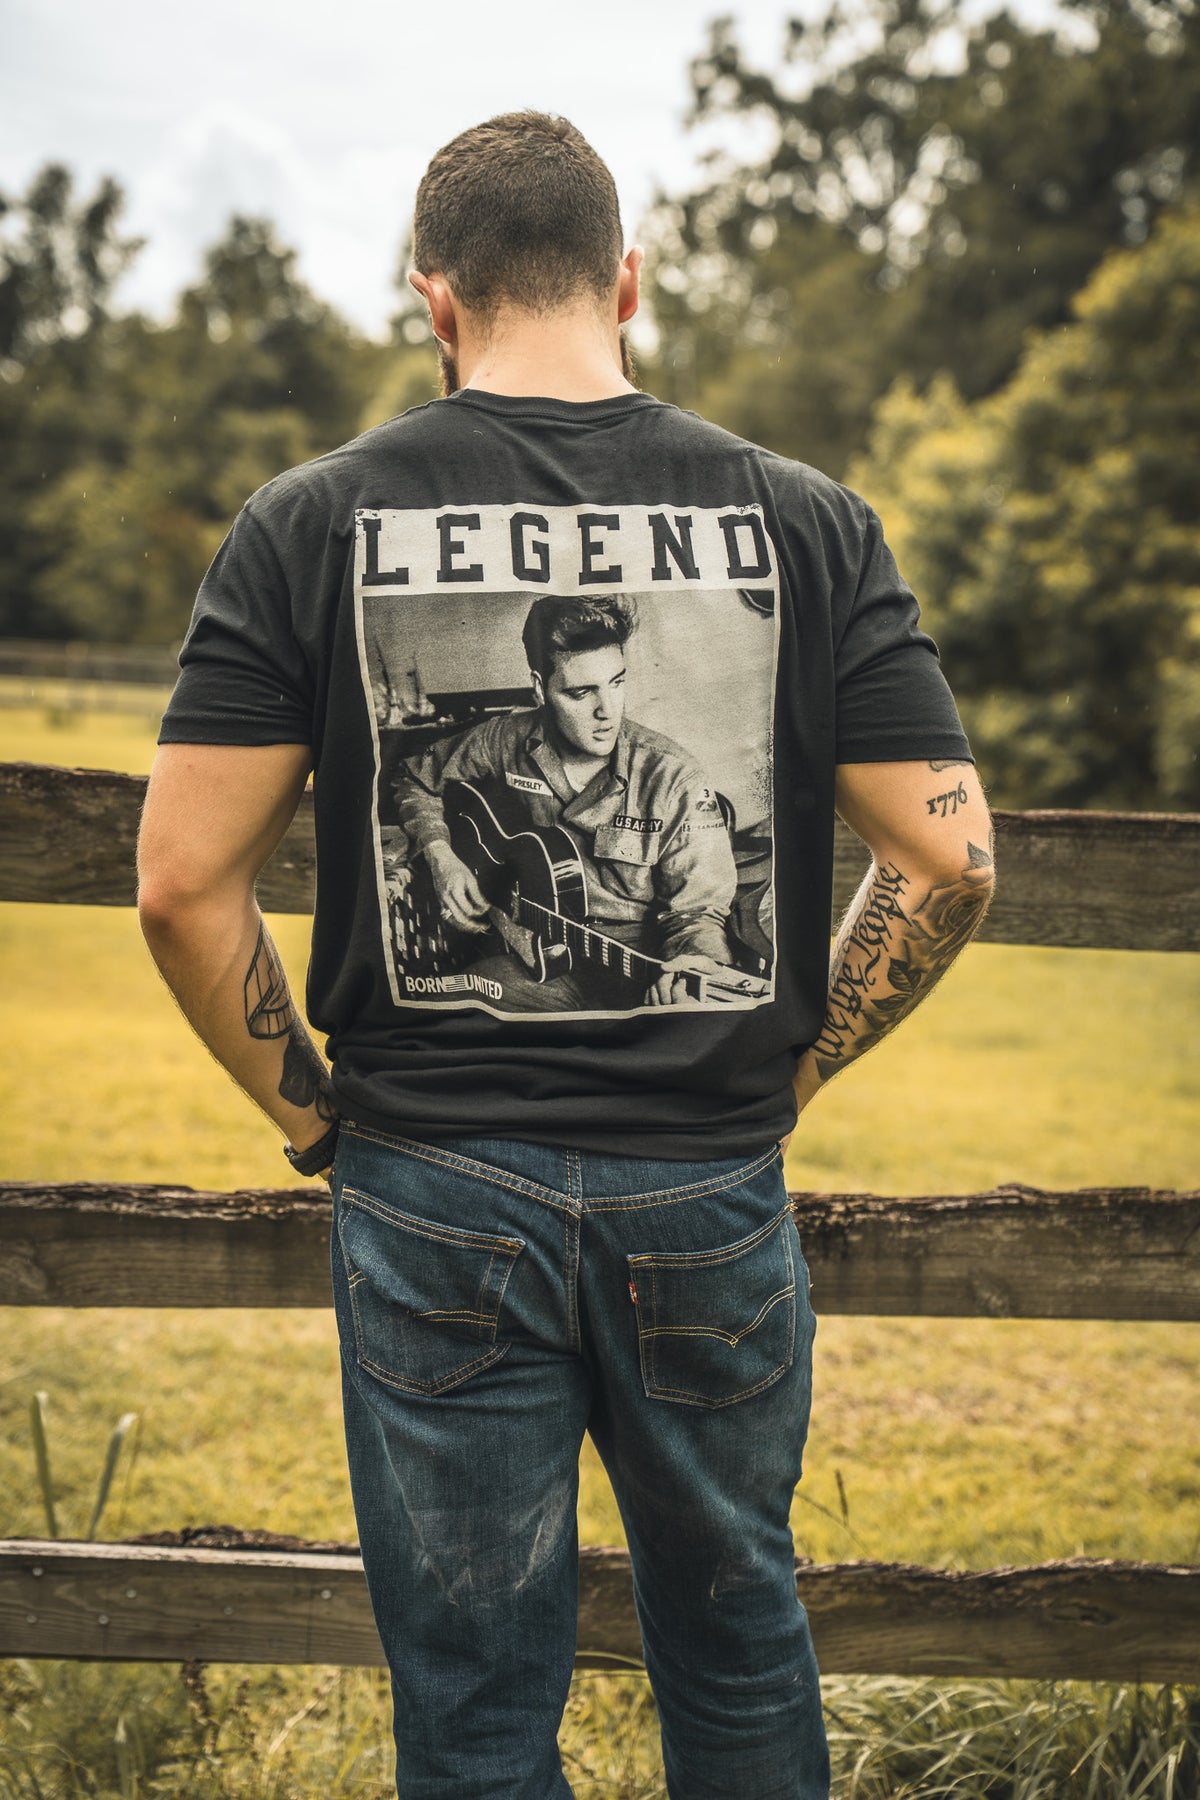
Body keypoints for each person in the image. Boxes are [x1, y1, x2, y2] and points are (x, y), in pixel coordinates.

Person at [138, 110, 994, 1800]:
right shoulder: (805, 522)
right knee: (741, 1646)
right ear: (628, 279)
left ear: (432, 303)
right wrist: (791, 1061)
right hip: (705, 1182)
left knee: (471, 1698)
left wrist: (319, 1120)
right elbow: (954, 857)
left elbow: (180, 885)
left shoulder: (308, 522)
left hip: (430, 1184)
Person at [392, 591, 748, 1010]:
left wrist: (695, 966)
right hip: (533, 956)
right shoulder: (504, 738)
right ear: (541, 689)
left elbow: (697, 914)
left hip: (638, 965)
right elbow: (413, 777)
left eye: (617, 683)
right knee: (460, 1006)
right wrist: (440, 856)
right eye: (581, 693)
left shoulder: (673, 777)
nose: (607, 711)